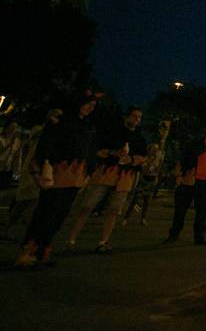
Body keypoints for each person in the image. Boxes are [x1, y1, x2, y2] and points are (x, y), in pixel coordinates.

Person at [14, 89, 101, 268]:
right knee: (46, 213)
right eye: (87, 104)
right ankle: (28, 252)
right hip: (58, 173)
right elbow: (46, 145)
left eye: (92, 106)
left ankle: (43, 250)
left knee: (59, 216)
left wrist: (89, 172)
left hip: (76, 176)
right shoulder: (61, 121)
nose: (89, 108)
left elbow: (90, 151)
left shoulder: (88, 126)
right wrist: (38, 171)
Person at [65, 106, 147, 253]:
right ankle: (71, 239)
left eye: (139, 117)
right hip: (106, 172)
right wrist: (113, 153)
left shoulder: (139, 138)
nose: (136, 119)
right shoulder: (112, 132)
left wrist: (133, 159)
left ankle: (104, 241)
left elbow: (143, 158)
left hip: (125, 177)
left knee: (114, 210)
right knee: (87, 206)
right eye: (134, 116)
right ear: (127, 117)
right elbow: (98, 150)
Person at [3, 109, 62, 241]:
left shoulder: (55, 133)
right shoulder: (39, 130)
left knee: (33, 201)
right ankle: (12, 227)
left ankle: (25, 230)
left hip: (42, 167)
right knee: (25, 200)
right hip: (32, 167)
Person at [164, 123, 206, 245]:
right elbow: (182, 159)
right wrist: (178, 176)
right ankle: (174, 234)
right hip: (189, 180)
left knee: (202, 211)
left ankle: (199, 236)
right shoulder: (193, 144)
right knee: (180, 209)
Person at [124, 142, 163, 225]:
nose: (154, 150)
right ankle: (126, 217)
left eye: (155, 149)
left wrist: (156, 177)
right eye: (153, 148)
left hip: (151, 180)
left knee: (147, 201)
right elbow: (143, 169)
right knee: (135, 199)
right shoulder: (145, 158)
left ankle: (143, 218)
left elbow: (158, 169)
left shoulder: (157, 159)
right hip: (144, 179)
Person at [0, 120, 23, 190]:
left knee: (4, 189)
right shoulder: (1, 139)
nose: (13, 129)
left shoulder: (17, 141)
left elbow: (17, 156)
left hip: (8, 169)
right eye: (12, 127)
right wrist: (9, 146)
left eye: (15, 127)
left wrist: (17, 169)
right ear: (6, 127)